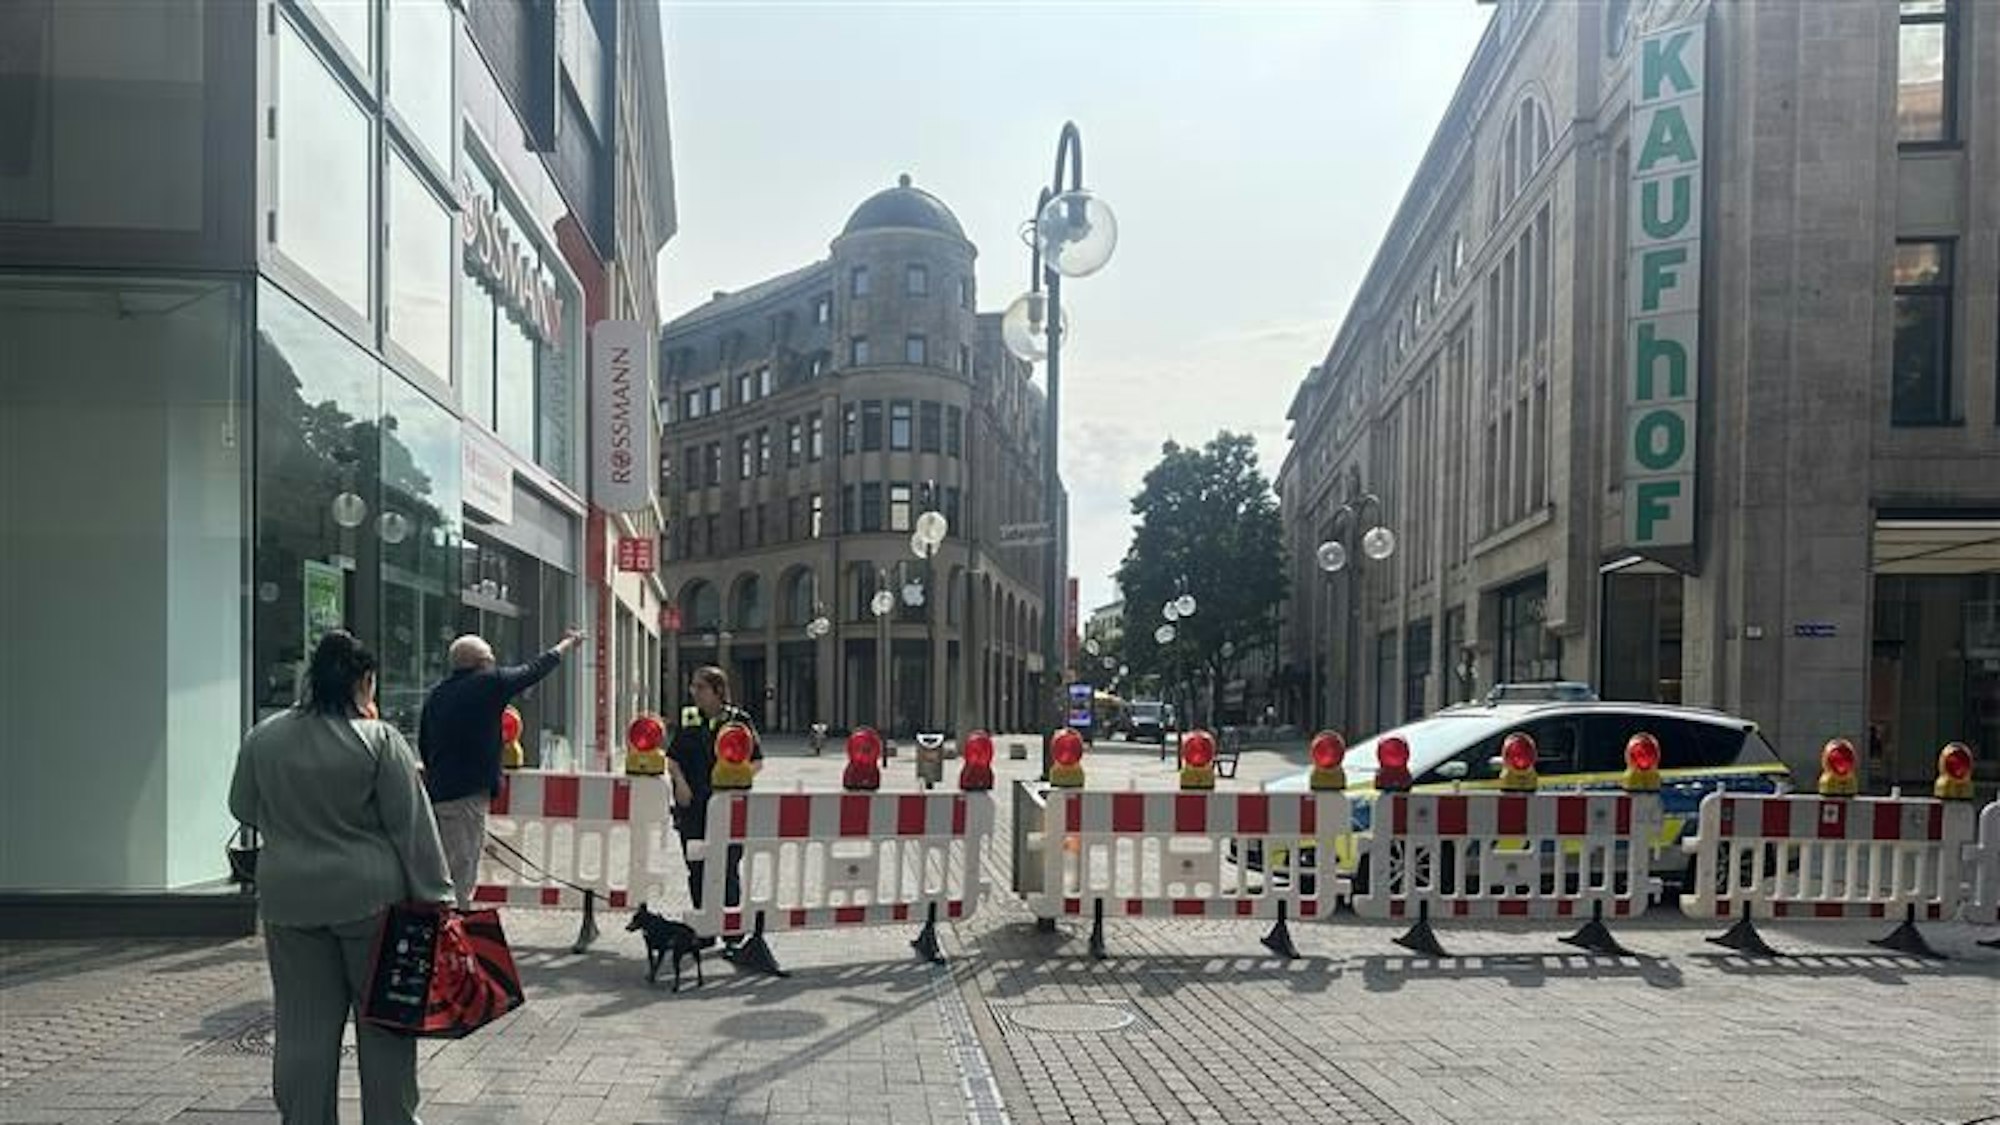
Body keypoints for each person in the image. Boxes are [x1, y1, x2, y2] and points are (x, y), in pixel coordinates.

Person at [228, 629, 453, 1125]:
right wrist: (437, 896)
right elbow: (411, 824)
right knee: (385, 1028)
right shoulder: (379, 740)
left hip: (289, 900)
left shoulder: (264, 737)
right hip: (373, 902)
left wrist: (292, 829)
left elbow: (241, 805)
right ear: (364, 682)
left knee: (303, 1027)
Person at [419, 628, 583, 909]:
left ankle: (447, 924)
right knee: (462, 867)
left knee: (445, 863)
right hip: (466, 794)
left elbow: (424, 742)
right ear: (482, 662)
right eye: (491, 659)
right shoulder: (488, 682)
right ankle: (452, 933)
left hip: (438, 792)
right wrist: (566, 645)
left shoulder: (437, 694)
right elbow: (533, 670)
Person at [666, 665, 763, 949]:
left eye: (700, 687)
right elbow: (672, 759)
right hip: (693, 807)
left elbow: (757, 760)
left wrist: (739, 780)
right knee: (696, 867)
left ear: (718, 691)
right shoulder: (690, 719)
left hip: (729, 808)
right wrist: (680, 783)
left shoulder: (739, 721)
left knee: (728, 865)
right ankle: (704, 930)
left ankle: (732, 931)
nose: (694, 692)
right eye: (693, 686)